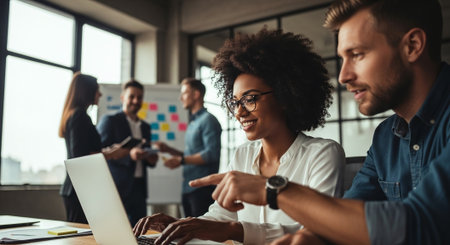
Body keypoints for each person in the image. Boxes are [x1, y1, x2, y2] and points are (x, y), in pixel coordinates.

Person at [189, 0, 450, 244]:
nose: (344, 76)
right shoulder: (386, 138)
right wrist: (315, 237)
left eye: (357, 54)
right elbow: (345, 215)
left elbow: (422, 223)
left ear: (413, 45)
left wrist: (274, 190)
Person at [133, 29, 346, 245]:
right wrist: (184, 226)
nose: (239, 112)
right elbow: (221, 217)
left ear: (285, 95)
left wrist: (235, 230)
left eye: (250, 99)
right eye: (235, 102)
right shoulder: (243, 154)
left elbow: (318, 233)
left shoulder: (322, 154)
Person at [59, 72, 128, 223]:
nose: (100, 94)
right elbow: (80, 158)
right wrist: (111, 154)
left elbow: (83, 152)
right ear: (87, 92)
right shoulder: (80, 116)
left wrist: (109, 151)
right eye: (97, 90)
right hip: (78, 189)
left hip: (77, 187)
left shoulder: (75, 115)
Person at [153, 78, 222, 217]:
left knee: (201, 234)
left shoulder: (208, 120)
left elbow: (211, 154)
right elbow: (192, 154)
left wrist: (181, 161)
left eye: (184, 93)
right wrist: (169, 150)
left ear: (196, 94)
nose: (180, 97)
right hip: (188, 188)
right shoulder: (193, 123)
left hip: (202, 189)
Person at [96, 80, 158, 226]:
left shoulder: (146, 127)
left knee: (139, 233)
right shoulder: (110, 121)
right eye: (132, 96)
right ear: (123, 97)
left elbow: (145, 156)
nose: (136, 101)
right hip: (117, 189)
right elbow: (99, 155)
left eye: (140, 97)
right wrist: (129, 156)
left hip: (140, 189)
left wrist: (151, 159)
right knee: (116, 231)